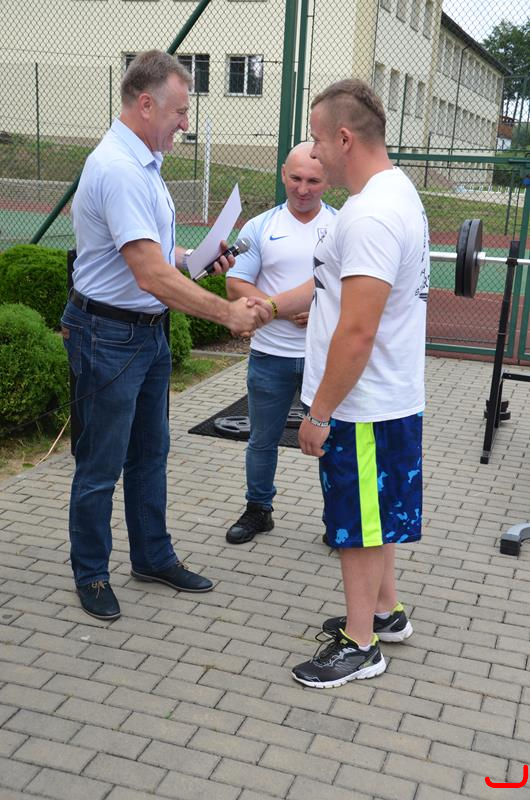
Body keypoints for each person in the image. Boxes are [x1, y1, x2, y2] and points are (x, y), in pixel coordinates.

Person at [61, 50, 270, 621]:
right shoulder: (119, 169)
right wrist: (226, 315)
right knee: (100, 464)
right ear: (146, 103)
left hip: (143, 334)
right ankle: (91, 573)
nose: (186, 121)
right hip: (108, 336)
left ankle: (152, 556)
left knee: (151, 454)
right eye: (180, 110)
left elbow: (156, 255)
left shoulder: (143, 164)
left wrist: (194, 258)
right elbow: (149, 275)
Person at [270, 79, 430, 688]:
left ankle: (361, 645)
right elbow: (327, 288)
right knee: (376, 515)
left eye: (316, 138)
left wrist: (319, 412)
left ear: (343, 138)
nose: (313, 151)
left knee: (358, 525)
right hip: (386, 396)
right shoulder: (394, 192)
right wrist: (268, 307)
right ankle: (385, 612)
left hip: (362, 404)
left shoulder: (370, 215)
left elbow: (357, 331)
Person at [224, 142, 336, 544]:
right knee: (261, 440)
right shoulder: (260, 227)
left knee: (333, 442)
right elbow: (236, 283)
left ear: (327, 181)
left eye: (313, 181)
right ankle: (259, 510)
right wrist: (285, 310)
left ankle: (337, 521)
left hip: (325, 359)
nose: (303, 189)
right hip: (270, 355)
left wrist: (320, 311)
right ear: (283, 174)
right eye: (296, 178)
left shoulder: (342, 227)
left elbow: (354, 290)